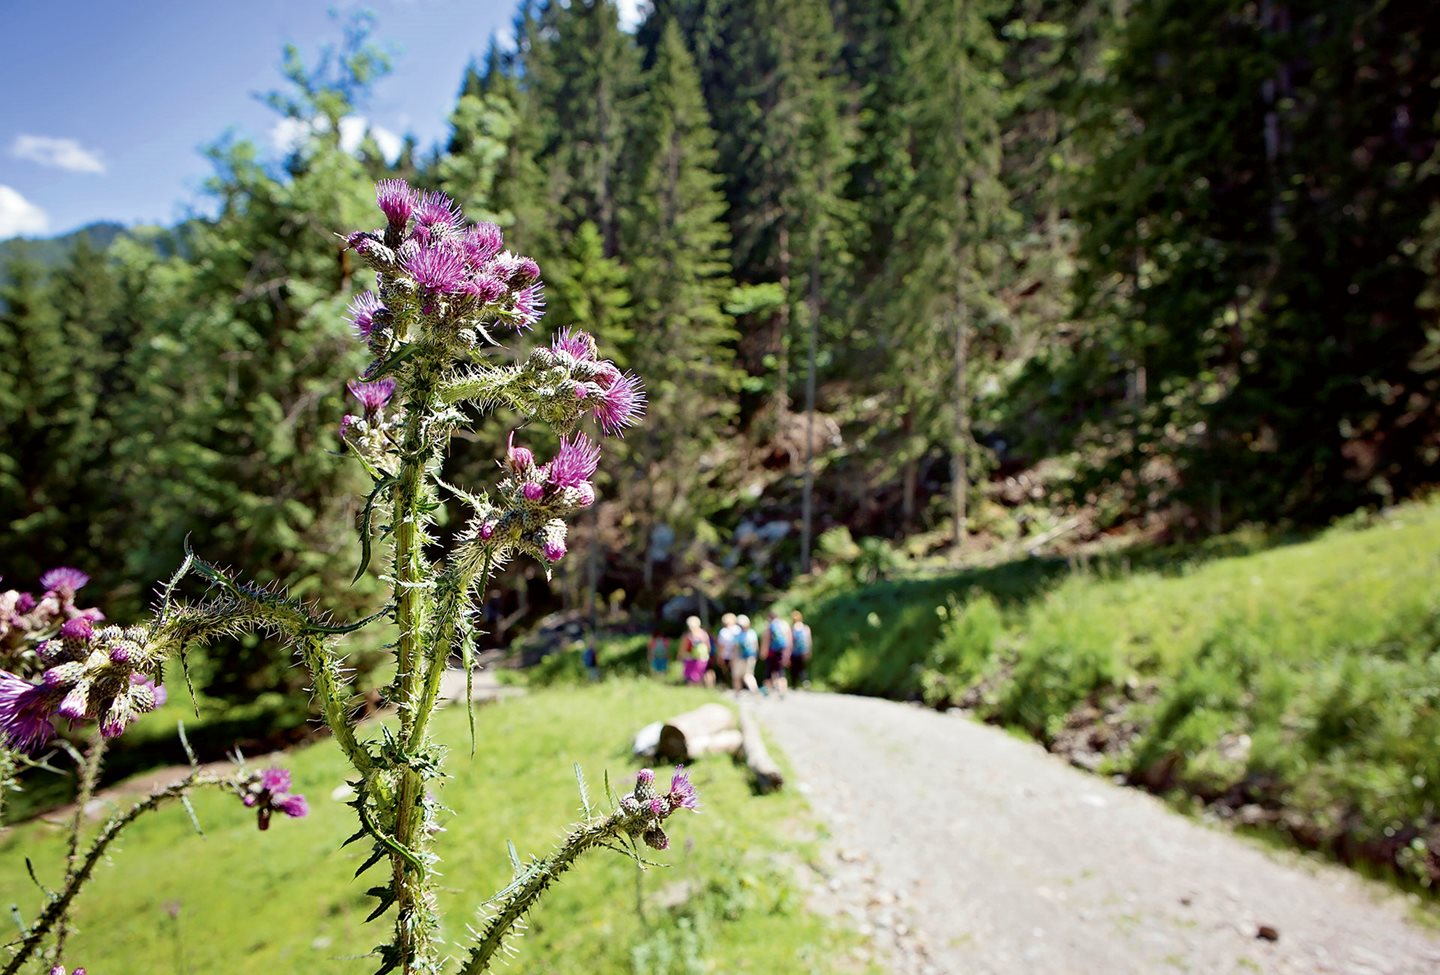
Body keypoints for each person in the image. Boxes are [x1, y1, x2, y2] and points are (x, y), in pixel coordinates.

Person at [761, 610, 792, 696]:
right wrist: (787, 654)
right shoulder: (784, 625)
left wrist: (763, 652)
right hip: (782, 652)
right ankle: (783, 691)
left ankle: (767, 690)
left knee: (769, 671)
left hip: (771, 653)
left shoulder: (769, 625)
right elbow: (789, 640)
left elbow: (766, 640)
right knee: (780, 671)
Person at [678, 616, 712, 685]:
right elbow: (708, 647)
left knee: (691, 677)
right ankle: (698, 691)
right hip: (703, 658)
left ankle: (692, 691)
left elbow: (683, 648)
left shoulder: (687, 636)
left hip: (690, 658)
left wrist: (679, 656)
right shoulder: (704, 634)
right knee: (698, 676)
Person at [734, 614, 760, 694]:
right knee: (749, 675)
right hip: (751, 657)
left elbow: (736, 648)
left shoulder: (738, 635)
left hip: (740, 658)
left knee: (738, 676)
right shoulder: (752, 633)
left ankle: (737, 694)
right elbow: (756, 647)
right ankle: (755, 690)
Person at [716, 613, 741, 691]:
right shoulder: (738, 629)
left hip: (726, 655)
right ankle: (737, 688)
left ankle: (728, 687)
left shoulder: (723, 631)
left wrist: (719, 656)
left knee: (726, 672)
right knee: (736, 672)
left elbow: (721, 646)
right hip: (738, 655)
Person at [789, 610, 812, 689]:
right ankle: (805, 681)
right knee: (802, 667)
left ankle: (794, 684)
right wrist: (808, 651)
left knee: (793, 668)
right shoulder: (805, 628)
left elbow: (790, 641)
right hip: (803, 651)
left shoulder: (792, 628)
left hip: (794, 652)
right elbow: (808, 640)